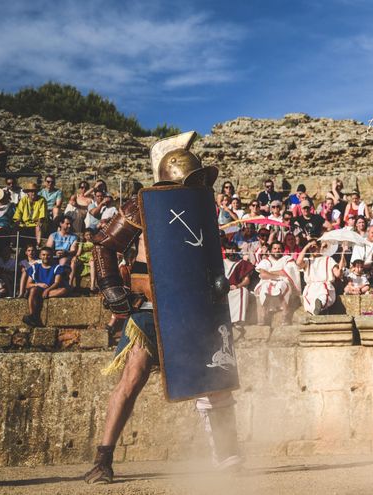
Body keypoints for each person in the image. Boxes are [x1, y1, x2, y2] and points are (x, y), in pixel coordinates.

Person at [83, 133, 241, 484]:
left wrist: (218, 283)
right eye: (191, 178)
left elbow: (201, 258)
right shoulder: (140, 207)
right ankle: (103, 458)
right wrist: (112, 289)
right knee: (132, 377)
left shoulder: (202, 210)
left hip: (194, 307)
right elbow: (103, 247)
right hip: (149, 305)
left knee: (214, 377)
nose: (197, 184)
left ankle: (226, 454)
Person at [254, 240, 301, 325]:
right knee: (264, 288)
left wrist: (270, 272)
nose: (277, 250)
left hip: (284, 282)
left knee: (281, 286)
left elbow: (287, 273)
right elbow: (263, 274)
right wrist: (278, 275)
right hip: (267, 282)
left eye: (279, 249)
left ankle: (285, 315)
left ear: (282, 250)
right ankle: (263, 316)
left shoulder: (287, 259)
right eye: (274, 248)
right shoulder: (265, 261)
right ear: (270, 250)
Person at [21, 247, 68, 327]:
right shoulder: (35, 267)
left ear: (52, 256)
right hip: (37, 289)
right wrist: (38, 284)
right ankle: (33, 315)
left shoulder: (57, 267)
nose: (46, 257)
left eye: (48, 255)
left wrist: (47, 290)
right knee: (33, 290)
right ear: (40, 256)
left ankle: (39, 296)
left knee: (63, 290)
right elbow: (28, 285)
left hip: (50, 289)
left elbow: (57, 282)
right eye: (43, 255)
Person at [297, 240, 344, 315]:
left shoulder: (328, 259)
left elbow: (337, 274)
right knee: (311, 303)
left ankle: (319, 305)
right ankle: (317, 310)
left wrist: (342, 256)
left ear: (319, 247)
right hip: (311, 288)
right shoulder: (307, 261)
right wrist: (306, 247)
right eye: (311, 248)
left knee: (324, 297)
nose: (313, 249)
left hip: (324, 285)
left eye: (315, 247)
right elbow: (298, 263)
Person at [222, 242, 255, 325]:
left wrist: (237, 286)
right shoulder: (220, 262)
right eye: (229, 249)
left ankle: (236, 321)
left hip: (233, 289)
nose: (232, 251)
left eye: (234, 249)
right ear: (225, 250)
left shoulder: (242, 263)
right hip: (221, 290)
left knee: (243, 291)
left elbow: (246, 280)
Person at [45, 215, 79, 286]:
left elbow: (73, 250)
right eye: (67, 224)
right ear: (61, 224)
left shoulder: (74, 237)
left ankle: (61, 284)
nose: (69, 226)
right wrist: (55, 252)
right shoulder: (53, 235)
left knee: (63, 261)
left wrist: (65, 252)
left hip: (67, 255)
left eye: (70, 224)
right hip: (53, 255)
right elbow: (48, 248)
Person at [13, 181, 46, 246]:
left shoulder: (42, 200)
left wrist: (39, 223)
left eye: (35, 191)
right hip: (25, 224)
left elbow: (42, 215)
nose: (33, 193)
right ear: (27, 192)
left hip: (36, 223)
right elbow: (18, 213)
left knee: (38, 227)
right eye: (31, 191)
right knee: (15, 226)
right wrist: (18, 221)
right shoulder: (23, 200)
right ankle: (14, 244)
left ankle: (38, 244)